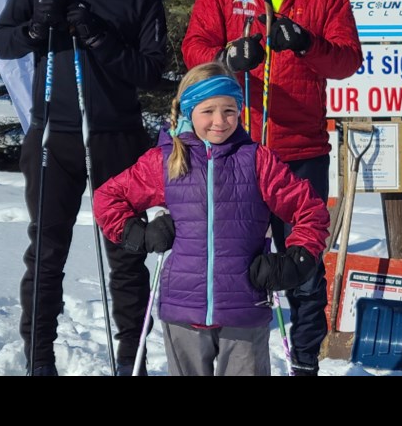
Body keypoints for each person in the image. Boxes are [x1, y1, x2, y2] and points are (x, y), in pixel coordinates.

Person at [0, 0, 169, 376]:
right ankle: (39, 360)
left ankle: (130, 362)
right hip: (54, 136)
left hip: (117, 137)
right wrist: (34, 28)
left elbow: (153, 71)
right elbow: (3, 41)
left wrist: (98, 38)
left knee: (127, 253)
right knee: (46, 252)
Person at [181, 0, 362, 375]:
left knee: (303, 263)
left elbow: (348, 60)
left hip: (300, 149)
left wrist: (306, 44)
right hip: (235, 146)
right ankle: (234, 357)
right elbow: (193, 43)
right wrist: (224, 60)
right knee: (232, 259)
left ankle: (305, 361)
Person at [93, 63, 330, 376]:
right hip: (182, 309)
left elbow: (310, 209)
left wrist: (297, 258)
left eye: (230, 110)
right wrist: (139, 234)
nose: (220, 121)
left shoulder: (257, 160)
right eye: (208, 111)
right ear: (189, 111)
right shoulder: (165, 161)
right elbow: (108, 199)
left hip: (245, 308)